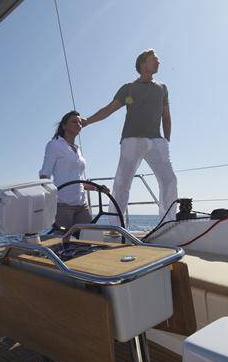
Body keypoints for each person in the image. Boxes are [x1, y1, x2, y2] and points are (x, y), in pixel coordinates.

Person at [81, 49, 178, 225]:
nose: (158, 62)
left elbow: (166, 115)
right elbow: (109, 109)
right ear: (143, 63)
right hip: (132, 140)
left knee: (170, 180)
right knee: (122, 184)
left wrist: (167, 139)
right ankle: (115, 226)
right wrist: (87, 121)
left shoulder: (162, 88)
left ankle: (168, 223)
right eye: (154, 59)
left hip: (157, 141)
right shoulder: (129, 88)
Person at [39, 110, 106, 231]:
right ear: (64, 126)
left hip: (82, 205)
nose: (78, 124)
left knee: (88, 238)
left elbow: (79, 181)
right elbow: (44, 175)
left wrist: (97, 188)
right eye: (74, 122)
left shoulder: (77, 149)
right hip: (63, 204)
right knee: (62, 239)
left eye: (80, 123)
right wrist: (49, 201)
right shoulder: (54, 145)